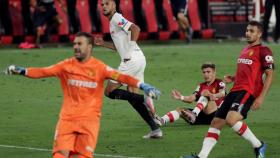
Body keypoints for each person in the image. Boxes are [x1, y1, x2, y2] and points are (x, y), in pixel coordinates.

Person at [5, 32, 161, 158]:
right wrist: (23, 70)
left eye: (80, 44)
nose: (76, 47)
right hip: (67, 120)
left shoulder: (99, 68)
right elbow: (43, 71)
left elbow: (121, 77)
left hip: (89, 123)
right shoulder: (66, 66)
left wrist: (143, 85)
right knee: (60, 154)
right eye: (74, 44)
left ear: (90, 47)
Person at [182, 21, 274, 158]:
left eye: (252, 31)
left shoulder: (264, 51)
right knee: (216, 122)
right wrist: (234, 78)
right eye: (247, 30)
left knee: (231, 120)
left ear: (259, 34)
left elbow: (270, 75)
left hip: (247, 92)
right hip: (235, 90)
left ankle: (259, 145)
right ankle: (201, 156)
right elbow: (247, 73)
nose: (248, 33)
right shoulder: (245, 50)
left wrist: (261, 97)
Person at [94, 0, 162, 139]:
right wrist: (103, 44)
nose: (104, 6)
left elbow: (136, 29)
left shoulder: (117, 18)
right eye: (102, 4)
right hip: (139, 59)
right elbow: (118, 46)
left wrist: (129, 50)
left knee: (109, 91)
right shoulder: (113, 21)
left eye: (107, 3)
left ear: (114, 5)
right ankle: (155, 128)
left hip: (131, 61)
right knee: (132, 95)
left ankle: (145, 97)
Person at [155, 63, 226, 126]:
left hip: (216, 115)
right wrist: (181, 97)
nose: (206, 74)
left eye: (208, 72)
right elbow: (191, 99)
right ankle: (162, 120)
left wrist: (213, 95)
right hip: (202, 116)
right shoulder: (201, 86)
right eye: (204, 72)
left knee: (205, 93)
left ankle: (194, 114)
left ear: (214, 72)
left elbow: (222, 93)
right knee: (180, 110)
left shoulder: (219, 82)